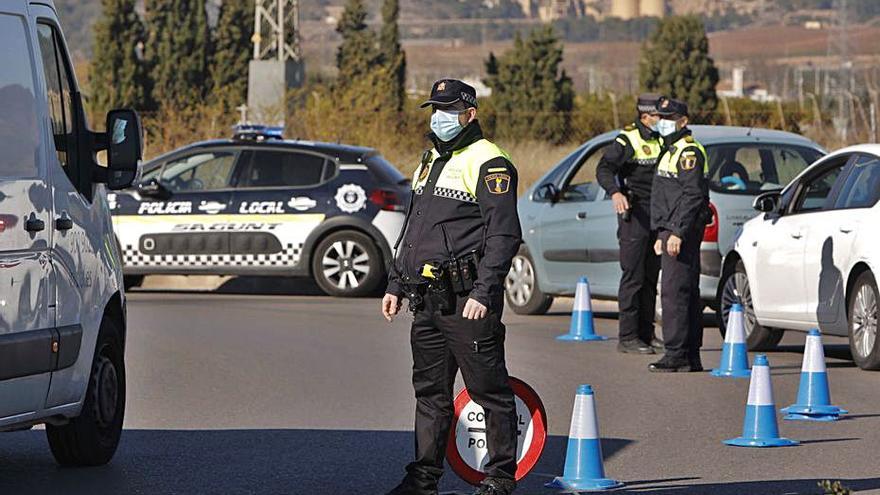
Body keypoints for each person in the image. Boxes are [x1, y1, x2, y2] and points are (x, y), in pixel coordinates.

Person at [381, 79, 522, 495]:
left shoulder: (489, 162)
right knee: (430, 394)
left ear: (470, 114)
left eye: (447, 110)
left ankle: (500, 477)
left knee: (488, 390)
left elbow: (503, 236)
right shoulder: (428, 159)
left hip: (467, 301)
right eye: (434, 109)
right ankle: (423, 479)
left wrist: (484, 292)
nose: (438, 117)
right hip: (425, 299)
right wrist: (395, 283)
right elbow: (413, 230)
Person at [596, 93, 666, 355]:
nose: (663, 120)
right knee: (633, 276)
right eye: (659, 116)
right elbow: (603, 168)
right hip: (634, 214)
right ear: (646, 116)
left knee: (650, 277)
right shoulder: (627, 139)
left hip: (656, 215)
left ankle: (647, 333)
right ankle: (627, 336)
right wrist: (615, 192)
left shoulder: (662, 138)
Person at [649, 98, 710, 372]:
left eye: (669, 117)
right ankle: (688, 355)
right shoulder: (671, 149)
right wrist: (661, 232)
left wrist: (676, 232)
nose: (663, 122)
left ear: (683, 121)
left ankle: (676, 354)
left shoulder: (688, 152)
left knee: (674, 294)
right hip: (671, 230)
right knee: (685, 292)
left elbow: (692, 196)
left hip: (680, 232)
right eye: (661, 117)